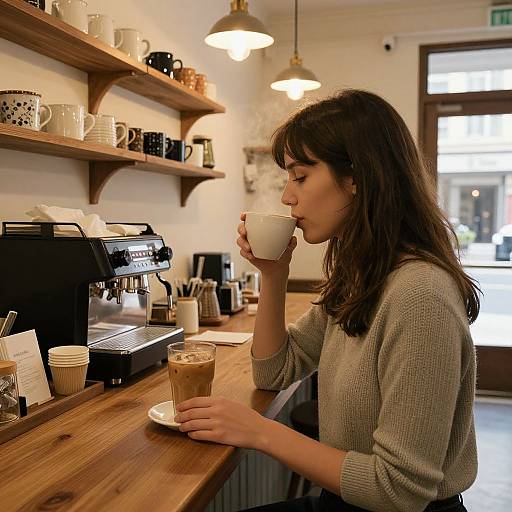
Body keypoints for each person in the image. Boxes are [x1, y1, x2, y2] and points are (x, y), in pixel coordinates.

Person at [174, 89, 480, 512]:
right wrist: (274, 274)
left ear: (356, 177)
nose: (287, 196)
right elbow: (274, 371)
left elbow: (399, 490)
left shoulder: (419, 296)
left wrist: (261, 431)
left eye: (299, 176)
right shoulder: (361, 276)